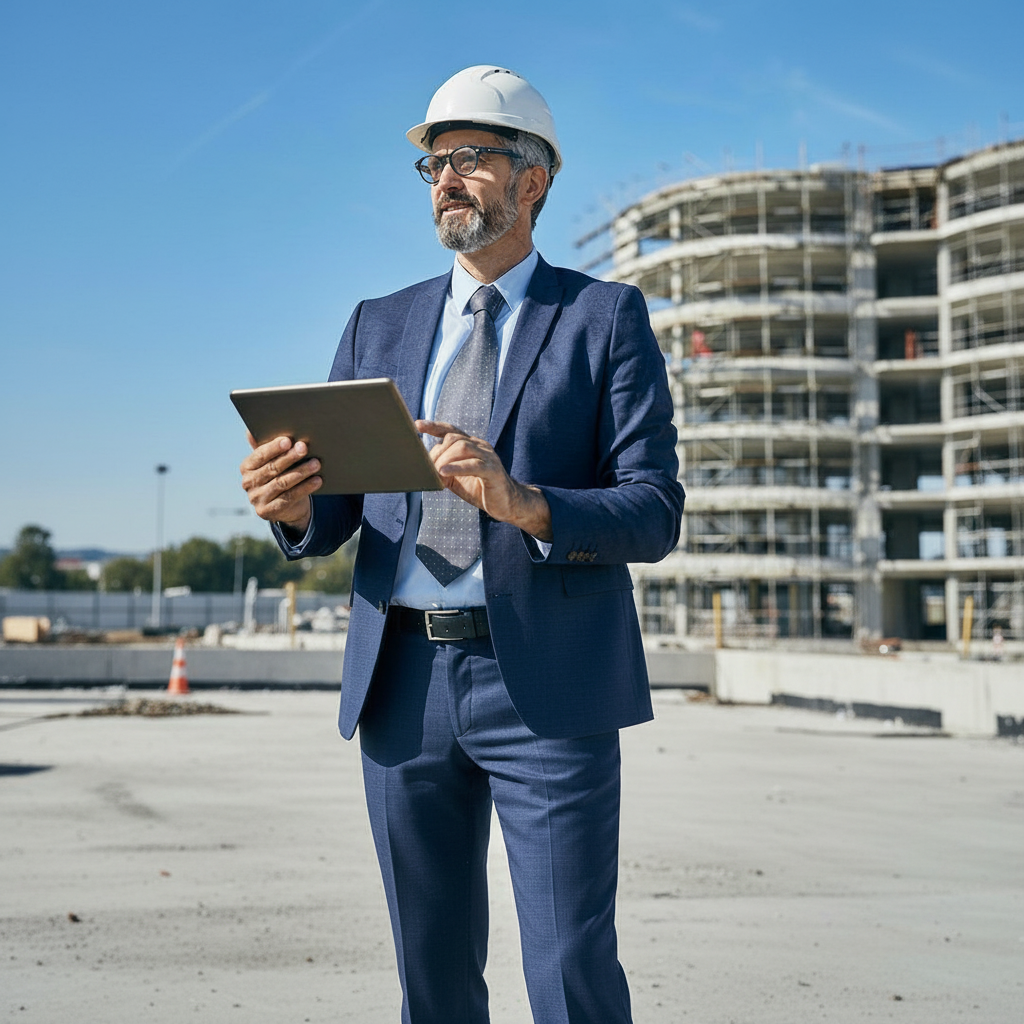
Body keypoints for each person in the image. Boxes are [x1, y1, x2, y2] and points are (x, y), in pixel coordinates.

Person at [241, 65, 684, 1024]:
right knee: (431, 978)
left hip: (550, 692)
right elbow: (336, 515)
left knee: (570, 972)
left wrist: (526, 503)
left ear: (534, 180)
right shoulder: (379, 324)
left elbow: (653, 512)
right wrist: (287, 505)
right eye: (435, 163)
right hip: (401, 682)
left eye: (473, 157)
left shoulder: (603, 320)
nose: (446, 177)